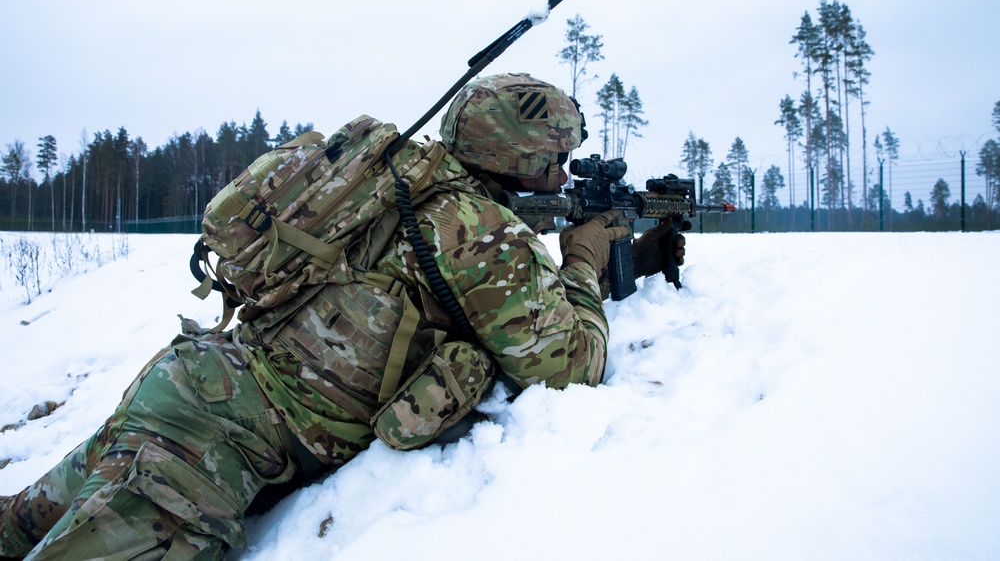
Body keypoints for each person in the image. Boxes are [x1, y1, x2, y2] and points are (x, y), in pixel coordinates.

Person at [0, 73, 684, 560]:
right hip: (200, 459)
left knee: (17, 527)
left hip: (193, 386)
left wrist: (631, 258)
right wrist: (584, 261)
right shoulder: (485, 237)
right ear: (518, 156)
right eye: (556, 161)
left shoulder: (400, 176)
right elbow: (570, 366)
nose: (564, 176)